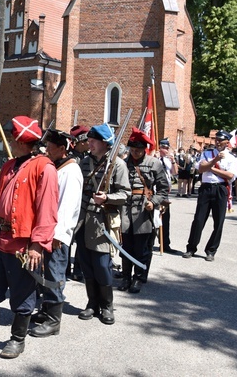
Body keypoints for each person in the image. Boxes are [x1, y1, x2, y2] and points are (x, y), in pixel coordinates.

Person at [0, 116, 58, 359]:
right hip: (0, 240)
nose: (8, 140)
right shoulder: (9, 165)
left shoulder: (45, 168)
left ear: (22, 140)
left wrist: (38, 245)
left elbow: (48, 209)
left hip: (23, 245)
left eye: (12, 137)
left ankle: (17, 340)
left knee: (22, 296)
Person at [74, 123, 130, 325]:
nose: (89, 143)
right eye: (89, 140)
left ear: (105, 143)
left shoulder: (118, 165)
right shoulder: (83, 163)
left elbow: (125, 194)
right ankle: (92, 303)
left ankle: (107, 306)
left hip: (102, 222)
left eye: (93, 140)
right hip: (82, 220)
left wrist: (106, 197)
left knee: (101, 267)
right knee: (87, 265)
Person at [30, 128, 83, 338]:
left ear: (62, 149)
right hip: (47, 233)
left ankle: (54, 321)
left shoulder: (71, 171)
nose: (46, 150)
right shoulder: (57, 166)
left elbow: (68, 208)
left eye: (50, 148)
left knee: (55, 275)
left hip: (57, 236)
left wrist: (59, 236)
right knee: (44, 274)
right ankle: (45, 310)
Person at [119, 128, 170, 294]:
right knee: (126, 245)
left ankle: (138, 277)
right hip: (126, 207)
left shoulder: (154, 163)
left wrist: (153, 202)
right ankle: (126, 276)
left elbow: (163, 189)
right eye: (132, 150)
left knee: (142, 246)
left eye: (138, 150)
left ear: (144, 149)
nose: (135, 153)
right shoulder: (124, 163)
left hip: (143, 208)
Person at [183, 131, 237, 261]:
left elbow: (230, 176)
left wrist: (211, 168)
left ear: (227, 142)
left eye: (221, 140)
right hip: (206, 188)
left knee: (218, 222)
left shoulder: (232, 158)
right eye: (216, 139)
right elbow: (201, 169)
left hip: (220, 189)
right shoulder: (207, 153)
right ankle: (191, 248)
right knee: (198, 219)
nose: (217, 142)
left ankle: (211, 250)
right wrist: (215, 160)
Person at [66, 124, 90, 282]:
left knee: (82, 238)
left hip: (84, 202)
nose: (90, 143)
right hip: (69, 202)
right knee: (67, 237)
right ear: (81, 142)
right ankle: (66, 267)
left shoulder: (89, 158)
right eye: (87, 140)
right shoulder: (69, 159)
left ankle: (78, 269)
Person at [154, 138, 176, 253]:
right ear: (159, 148)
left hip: (165, 192)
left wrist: (173, 161)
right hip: (154, 191)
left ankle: (165, 244)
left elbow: (174, 172)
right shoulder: (154, 159)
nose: (167, 150)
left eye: (168, 148)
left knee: (165, 218)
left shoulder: (167, 160)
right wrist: (155, 158)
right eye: (164, 148)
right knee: (153, 217)